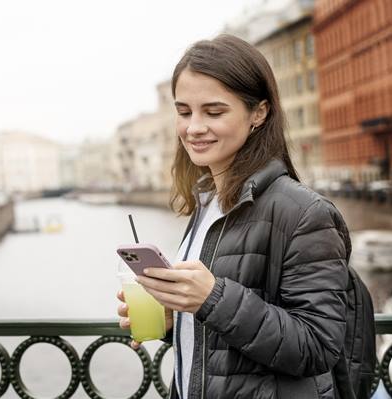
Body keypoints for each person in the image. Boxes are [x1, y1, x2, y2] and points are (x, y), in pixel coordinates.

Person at [117, 34, 350, 398]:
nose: (193, 127)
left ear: (258, 112)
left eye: (213, 112)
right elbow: (227, 334)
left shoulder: (305, 213)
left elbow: (317, 347)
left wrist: (211, 298)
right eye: (183, 112)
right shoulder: (207, 202)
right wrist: (175, 318)